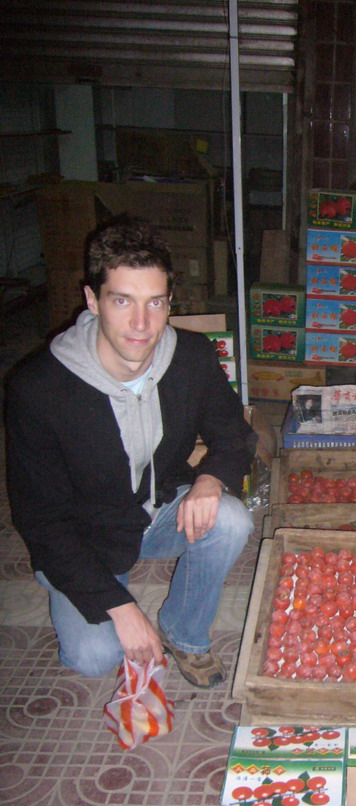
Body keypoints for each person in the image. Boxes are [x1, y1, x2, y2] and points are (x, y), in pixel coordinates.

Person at [5, 217, 254, 689]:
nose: (141, 324)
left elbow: (231, 434)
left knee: (231, 518)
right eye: (122, 301)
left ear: (168, 303)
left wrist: (209, 481)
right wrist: (121, 607)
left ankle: (184, 633)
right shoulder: (38, 389)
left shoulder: (193, 356)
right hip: (87, 535)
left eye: (154, 303)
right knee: (95, 657)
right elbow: (41, 519)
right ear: (92, 300)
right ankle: (67, 579)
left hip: (158, 512)